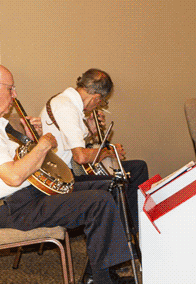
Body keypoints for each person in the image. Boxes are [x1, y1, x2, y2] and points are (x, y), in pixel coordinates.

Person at [0, 63, 142, 284]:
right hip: (11, 208)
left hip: (26, 196)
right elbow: (13, 176)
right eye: (10, 89)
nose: (14, 95)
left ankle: (100, 274)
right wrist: (42, 146)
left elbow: (18, 162)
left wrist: (30, 139)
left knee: (112, 186)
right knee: (98, 201)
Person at [39, 69, 149, 234]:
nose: (98, 105)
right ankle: (124, 234)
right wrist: (108, 152)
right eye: (101, 102)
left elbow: (70, 145)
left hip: (70, 170)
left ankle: (133, 231)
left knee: (138, 167)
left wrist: (90, 131)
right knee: (118, 181)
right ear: (97, 97)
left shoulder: (68, 102)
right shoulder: (66, 106)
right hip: (61, 179)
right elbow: (81, 157)